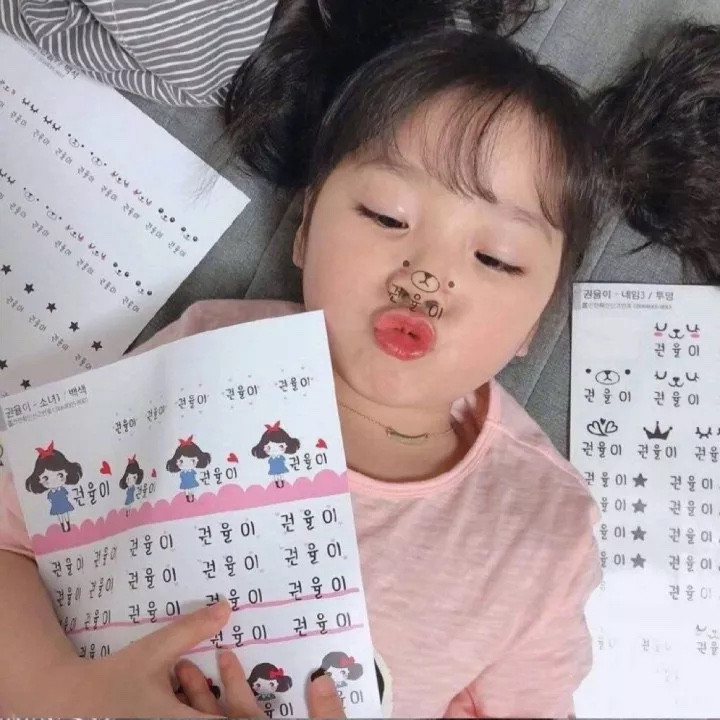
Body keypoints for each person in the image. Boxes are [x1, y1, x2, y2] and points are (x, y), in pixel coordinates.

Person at [1, 15, 720, 720]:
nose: (428, 273)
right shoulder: (212, 348)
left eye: (495, 257)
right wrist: (59, 691)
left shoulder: (539, 526)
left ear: (536, 324)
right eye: (386, 215)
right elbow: (11, 539)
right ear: (305, 228)